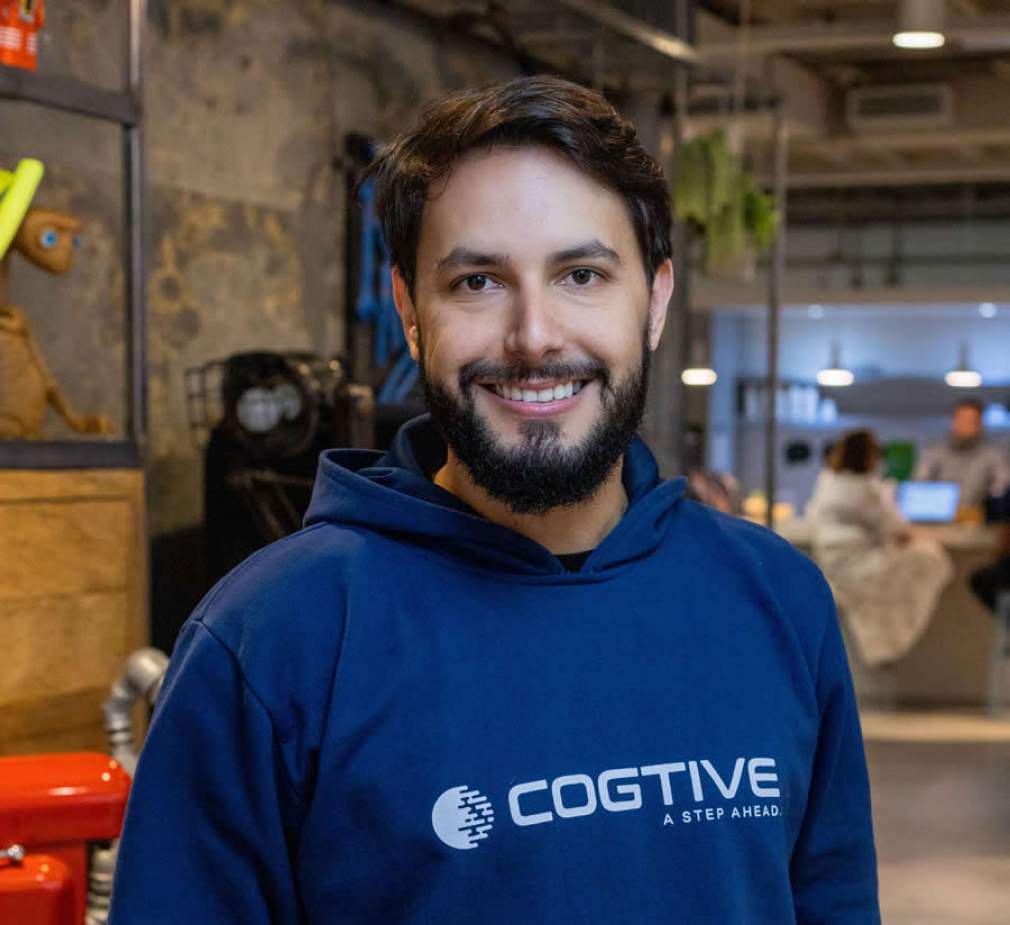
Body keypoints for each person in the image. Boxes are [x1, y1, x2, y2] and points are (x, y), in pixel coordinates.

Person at [109, 76, 879, 924]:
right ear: (409, 310)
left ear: (656, 301)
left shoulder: (778, 601)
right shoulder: (271, 639)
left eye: (581, 274)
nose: (534, 336)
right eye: (478, 282)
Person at [807, 430, 953, 668]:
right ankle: (889, 646)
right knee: (930, 557)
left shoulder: (828, 479)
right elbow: (895, 529)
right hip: (857, 567)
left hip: (831, 563)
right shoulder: (865, 487)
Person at [914, 397, 1010, 511]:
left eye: (971, 421)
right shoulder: (933, 453)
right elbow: (919, 484)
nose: (965, 425)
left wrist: (988, 500)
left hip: (979, 515)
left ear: (980, 424)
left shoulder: (993, 456)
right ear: (953, 421)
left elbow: (1002, 486)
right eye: (961, 419)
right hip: (939, 515)